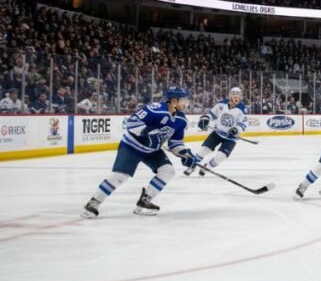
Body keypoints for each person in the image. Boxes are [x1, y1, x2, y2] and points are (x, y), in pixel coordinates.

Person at [81, 87, 200, 218]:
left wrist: (185, 154)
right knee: (120, 176)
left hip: (152, 150)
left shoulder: (181, 120)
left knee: (168, 170)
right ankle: (94, 202)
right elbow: (131, 122)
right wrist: (146, 131)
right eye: (183, 99)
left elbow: (175, 142)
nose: (186, 102)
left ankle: (145, 201)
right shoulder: (155, 109)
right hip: (132, 145)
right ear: (173, 101)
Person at [186, 87, 248, 177]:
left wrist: (236, 130)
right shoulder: (221, 104)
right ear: (230, 96)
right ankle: (192, 166)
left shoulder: (242, 109)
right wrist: (205, 119)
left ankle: (207, 167)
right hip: (217, 133)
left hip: (231, 138)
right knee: (203, 150)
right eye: (235, 96)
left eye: (238, 96)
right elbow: (211, 114)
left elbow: (243, 123)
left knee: (221, 157)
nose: (237, 98)